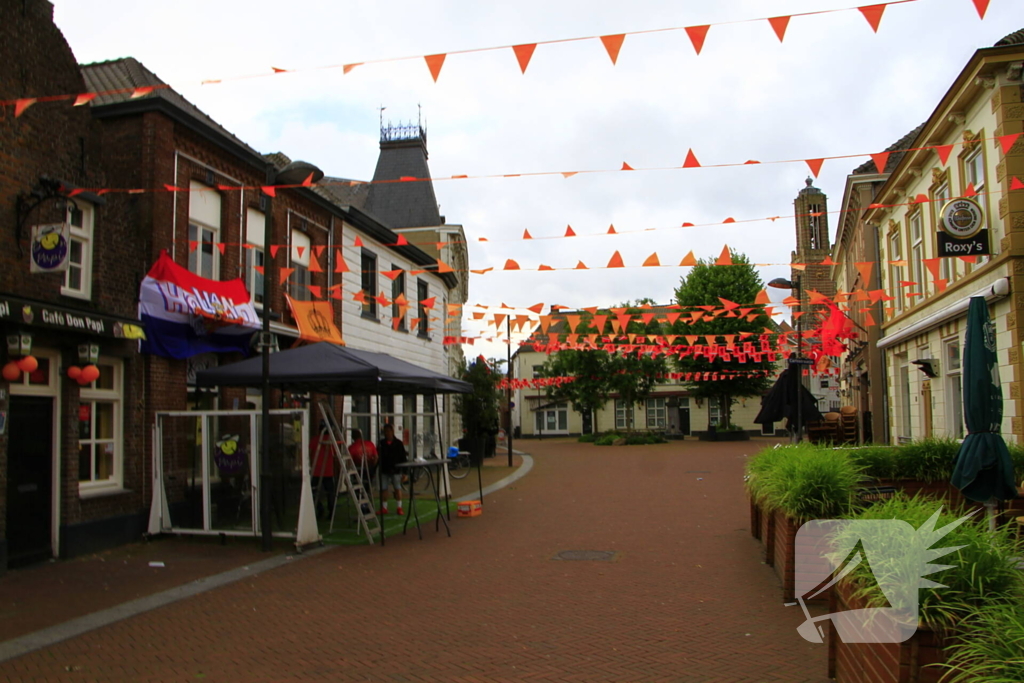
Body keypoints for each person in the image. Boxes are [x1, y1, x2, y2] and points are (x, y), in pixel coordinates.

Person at [377, 423, 407, 516]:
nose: (387, 433)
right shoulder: (381, 443)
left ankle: (399, 507)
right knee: (383, 489)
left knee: (397, 488)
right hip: (384, 469)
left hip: (396, 470)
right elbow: (378, 457)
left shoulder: (398, 443)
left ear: (392, 431)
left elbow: (403, 458)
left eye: (388, 431)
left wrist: (405, 472)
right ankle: (384, 507)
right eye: (385, 431)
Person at [310, 423, 337, 520]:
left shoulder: (315, 440)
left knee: (313, 491)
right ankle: (331, 512)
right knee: (330, 492)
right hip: (328, 471)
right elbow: (335, 455)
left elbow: (309, 452)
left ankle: (319, 508)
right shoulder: (331, 441)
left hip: (316, 470)